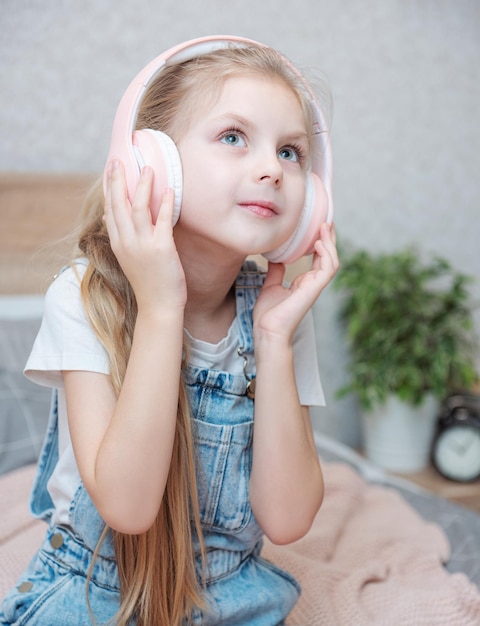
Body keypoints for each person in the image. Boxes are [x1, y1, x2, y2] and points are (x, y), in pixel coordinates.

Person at [0, 36, 338, 625]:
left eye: (291, 152)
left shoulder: (276, 315)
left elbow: (287, 520)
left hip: (232, 590)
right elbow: (128, 508)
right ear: (153, 165)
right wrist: (161, 309)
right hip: (94, 591)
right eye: (234, 138)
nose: (272, 169)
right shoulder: (83, 299)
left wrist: (276, 339)